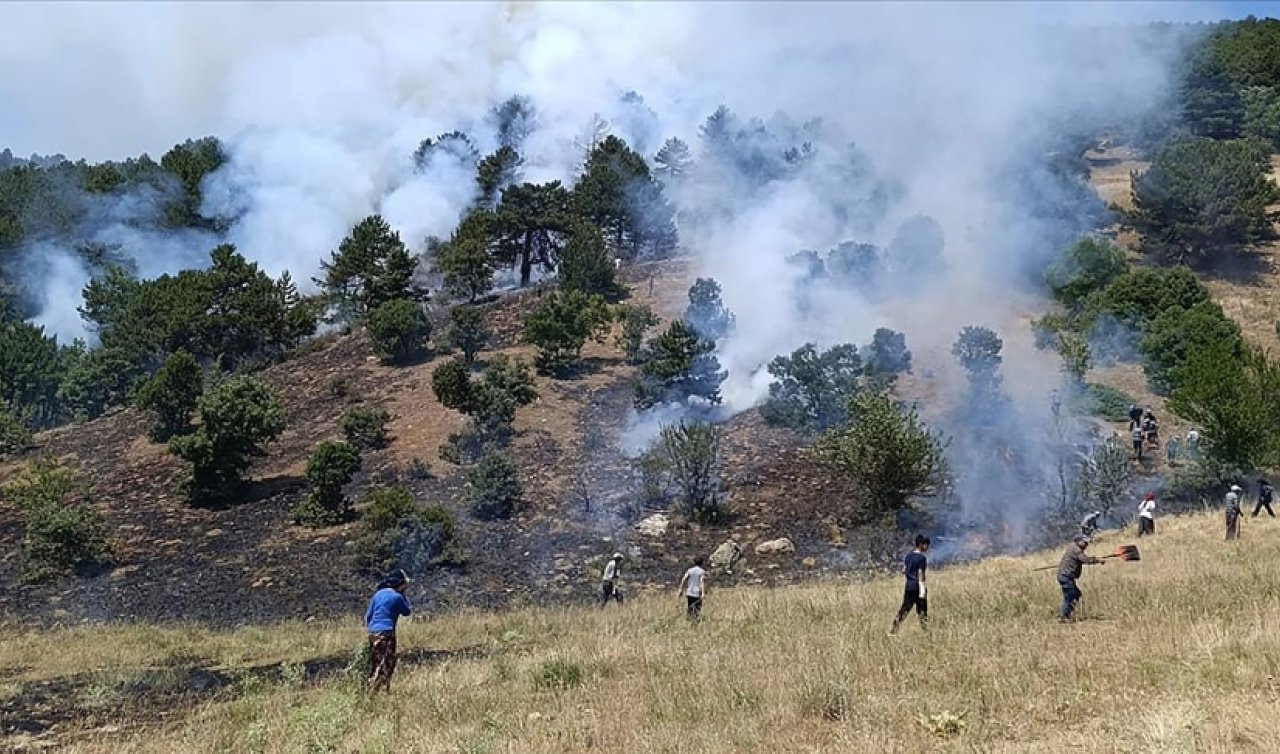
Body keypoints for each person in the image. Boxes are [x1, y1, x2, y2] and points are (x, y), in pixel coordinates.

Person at [364, 569, 412, 693]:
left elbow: (368, 615)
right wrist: (403, 594)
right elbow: (407, 611)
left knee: (375, 661)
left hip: (373, 632)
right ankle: (380, 690)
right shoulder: (397, 596)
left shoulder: (378, 594)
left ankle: (371, 688)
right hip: (387, 632)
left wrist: (371, 629)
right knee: (387, 662)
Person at [1057, 535, 1104, 622]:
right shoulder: (1077, 550)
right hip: (1066, 577)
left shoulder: (1072, 547)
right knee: (1070, 596)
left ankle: (1065, 614)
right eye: (1085, 543)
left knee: (1076, 594)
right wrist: (1097, 560)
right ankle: (1063, 616)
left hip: (1065, 576)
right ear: (1079, 541)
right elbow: (1085, 559)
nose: (1087, 545)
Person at [890, 535, 930, 634]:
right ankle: (925, 631)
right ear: (920, 544)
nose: (927, 547)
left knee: (904, 609)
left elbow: (904, 570)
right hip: (918, 586)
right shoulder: (922, 558)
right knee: (922, 610)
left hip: (909, 586)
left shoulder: (908, 556)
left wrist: (910, 574)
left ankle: (894, 629)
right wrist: (922, 588)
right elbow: (921, 573)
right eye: (925, 545)